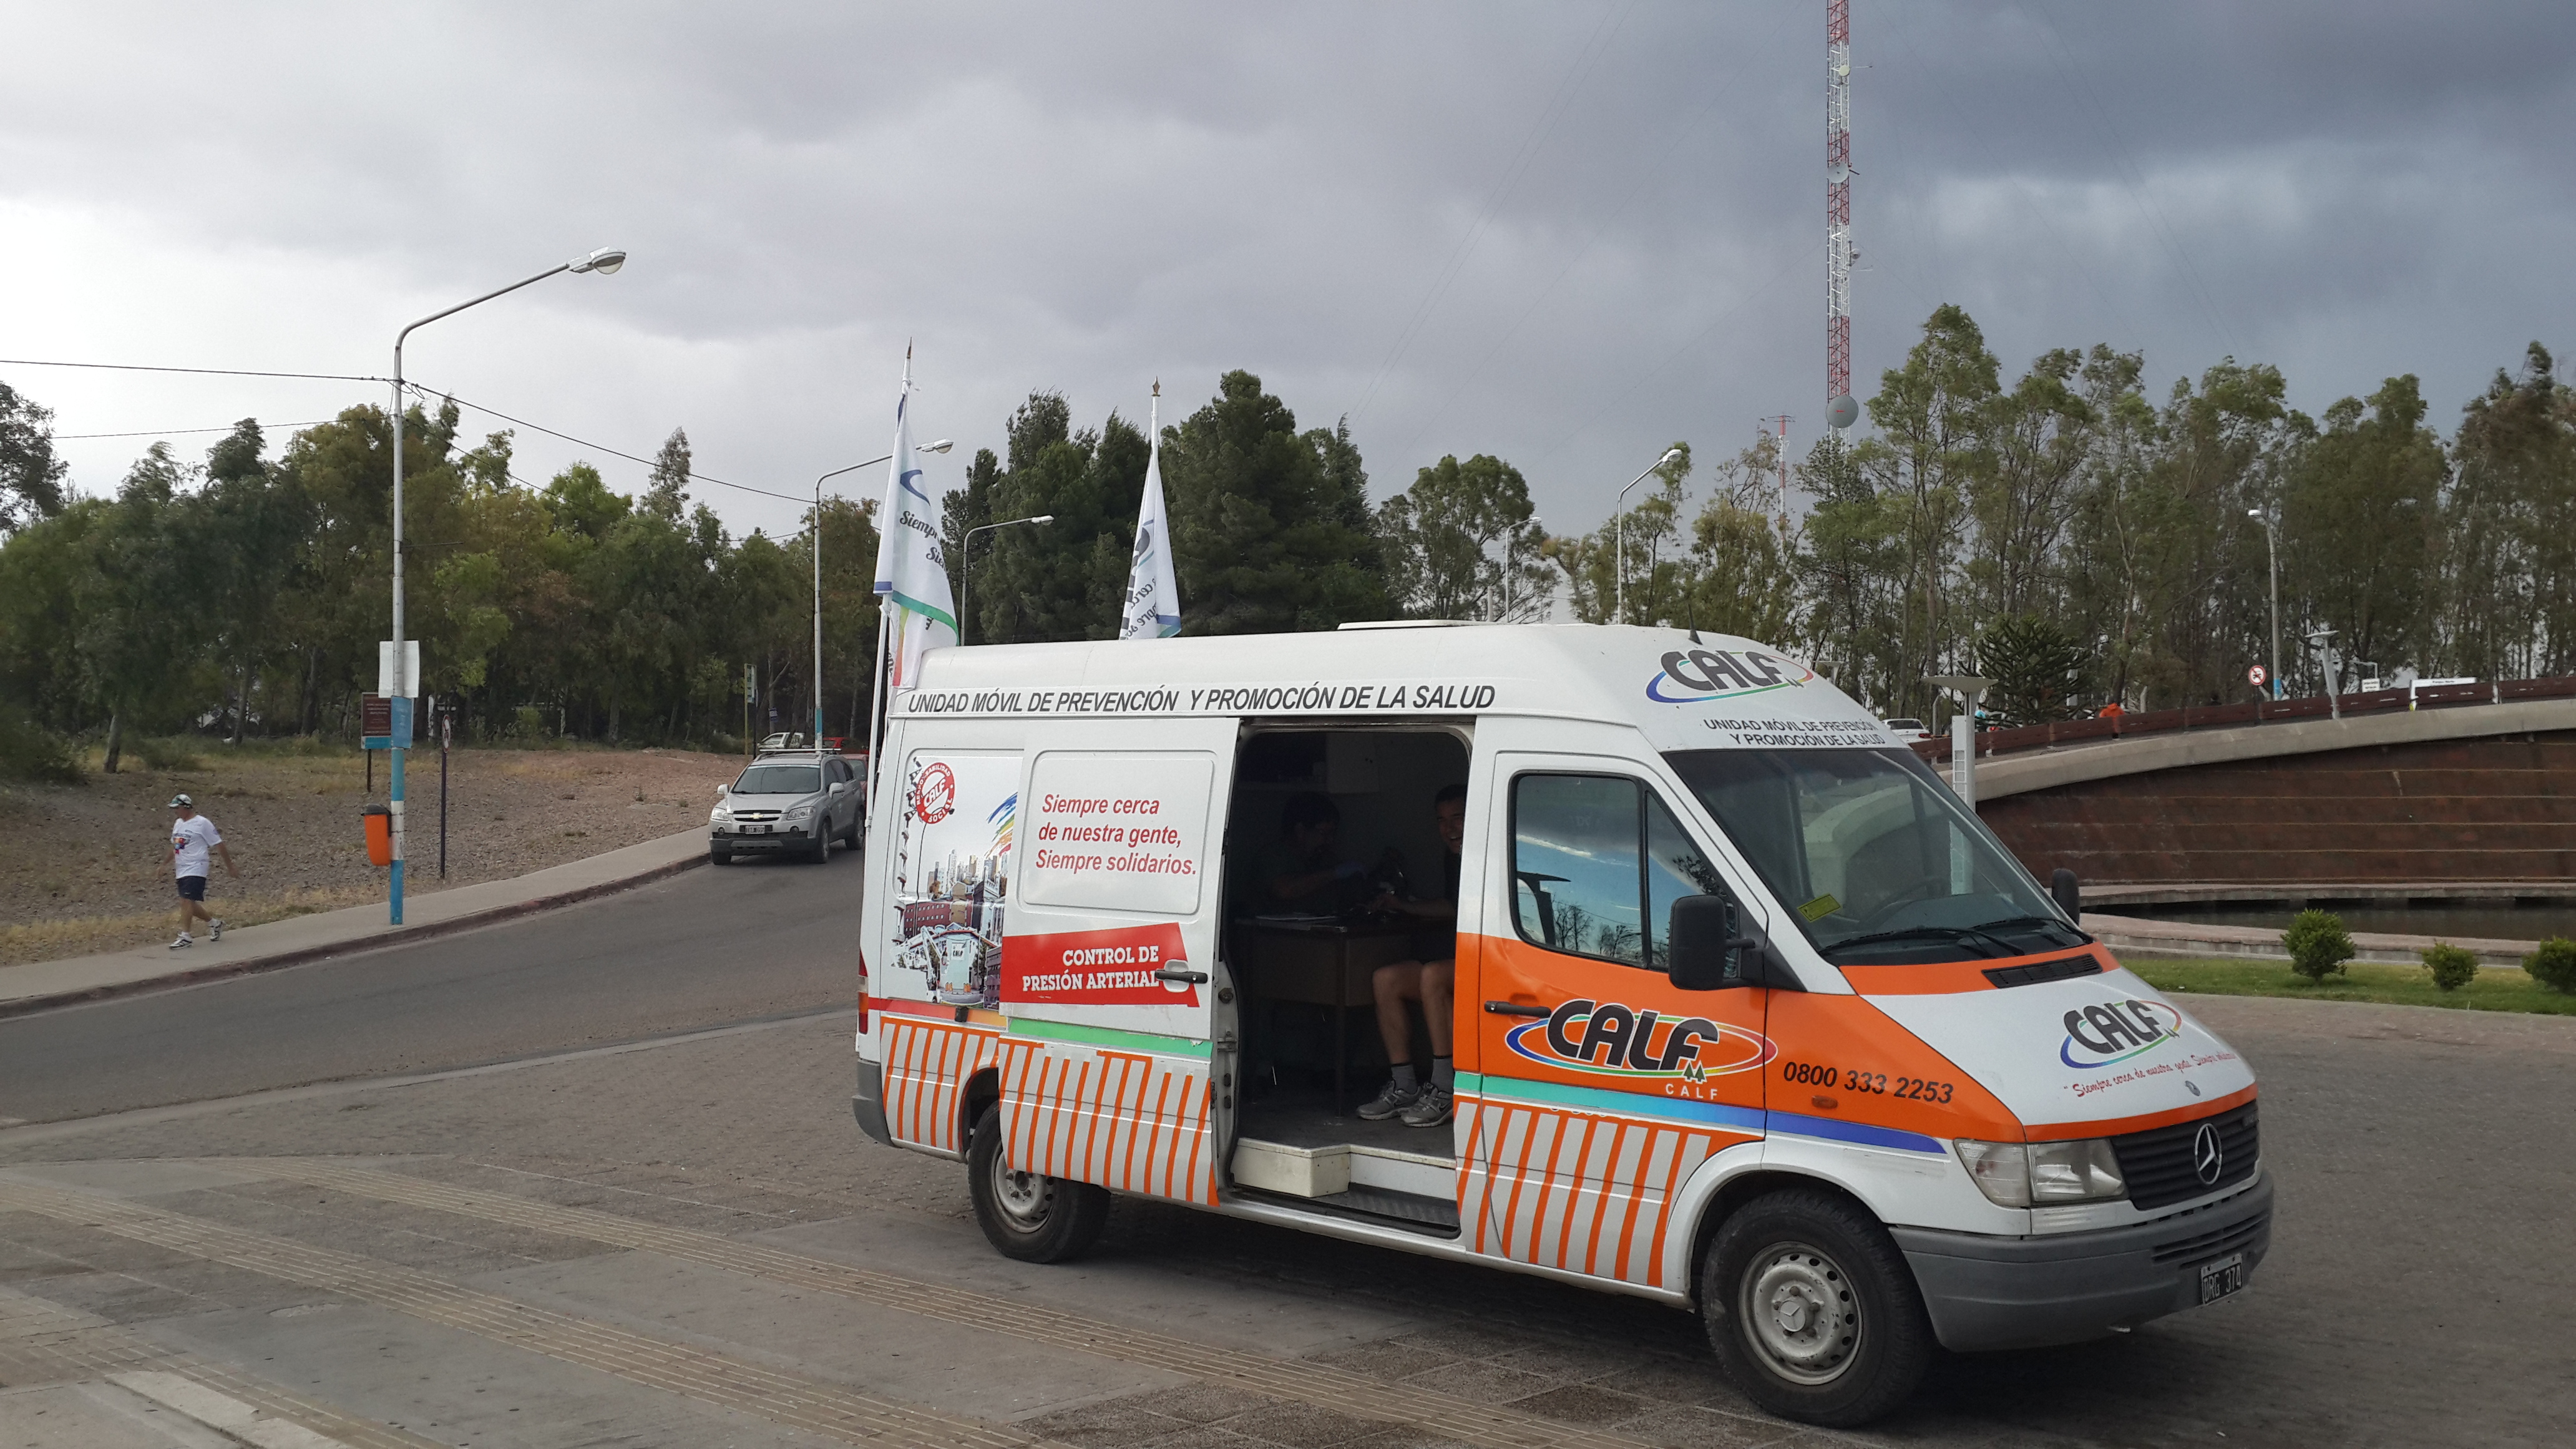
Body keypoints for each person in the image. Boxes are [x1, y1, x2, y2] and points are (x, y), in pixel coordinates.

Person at [1356, 783, 1467, 1128]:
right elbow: (1450, 905)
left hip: (1494, 963)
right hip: (1455, 959)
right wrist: (1402, 904)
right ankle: (1404, 1085)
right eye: (1442, 820)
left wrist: (1407, 905)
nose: (1449, 828)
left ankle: (1446, 1088)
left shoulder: (1488, 853)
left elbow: (1454, 910)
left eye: (1458, 818)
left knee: (1433, 974)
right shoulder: (1452, 857)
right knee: (1385, 979)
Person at [1242, 792, 1370, 914]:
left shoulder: (1323, 858)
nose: (1330, 840)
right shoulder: (1272, 856)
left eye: (1333, 833)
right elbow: (1284, 890)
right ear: (1300, 831)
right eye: (1324, 834)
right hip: (1271, 934)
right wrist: (1334, 873)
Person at [167, 793, 237, 949]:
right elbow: (176, 846)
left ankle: (185, 936)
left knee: (186, 900)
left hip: (197, 866)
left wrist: (230, 866)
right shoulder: (178, 823)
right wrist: (164, 864)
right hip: (182, 868)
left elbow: (219, 844)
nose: (175, 812)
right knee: (187, 902)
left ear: (186, 807)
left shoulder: (202, 823)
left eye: (177, 808)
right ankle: (215, 924)